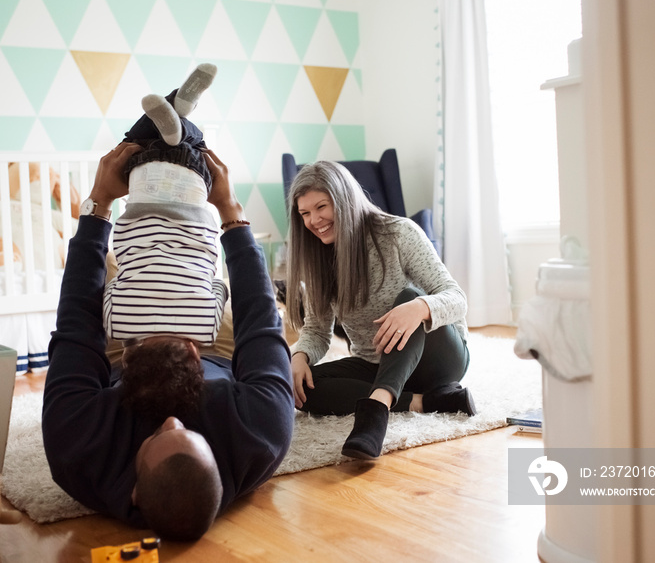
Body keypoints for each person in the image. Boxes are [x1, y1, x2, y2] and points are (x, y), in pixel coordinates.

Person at [42, 142, 294, 541]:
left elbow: (75, 324)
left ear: (136, 491)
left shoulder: (76, 450)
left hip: (122, 350)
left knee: (113, 269)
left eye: (156, 433)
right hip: (213, 347)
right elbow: (261, 322)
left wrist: (99, 204)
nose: (172, 418)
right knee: (208, 280)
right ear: (218, 461)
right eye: (189, 429)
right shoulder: (260, 435)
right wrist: (230, 211)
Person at [286, 161, 475, 460]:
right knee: (300, 387)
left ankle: (376, 410)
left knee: (410, 297)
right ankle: (426, 402)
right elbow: (317, 330)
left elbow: (457, 298)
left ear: (344, 201)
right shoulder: (318, 256)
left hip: (436, 360)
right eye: (305, 213)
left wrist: (419, 308)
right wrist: (299, 357)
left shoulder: (398, 233)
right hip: (376, 364)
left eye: (321, 207)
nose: (314, 220)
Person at [103, 63, 229, 345]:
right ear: (129, 355)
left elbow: (219, 287)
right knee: (137, 139)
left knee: (196, 144)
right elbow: (110, 286)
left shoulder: (208, 330)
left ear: (194, 356)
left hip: (193, 197)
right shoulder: (115, 326)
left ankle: (182, 114)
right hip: (142, 191)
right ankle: (177, 112)